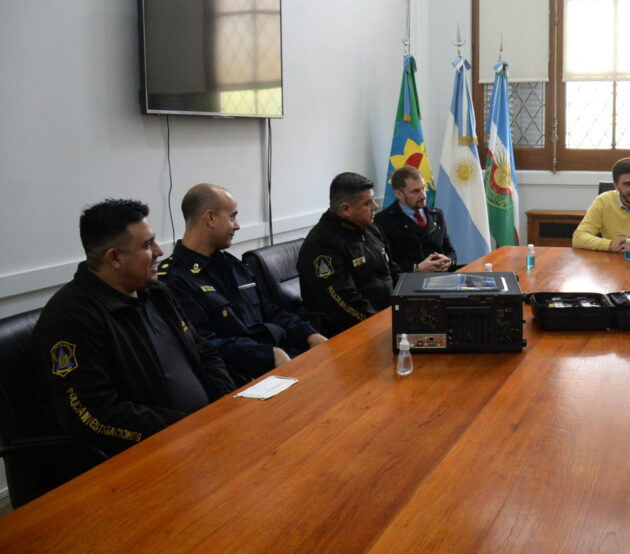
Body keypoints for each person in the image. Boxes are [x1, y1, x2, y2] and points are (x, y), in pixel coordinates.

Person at [33, 199, 235, 457]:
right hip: (153, 453)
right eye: (147, 244)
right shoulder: (71, 319)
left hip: (205, 434)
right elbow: (94, 415)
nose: (160, 251)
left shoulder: (157, 292)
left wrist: (227, 405)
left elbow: (203, 351)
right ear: (115, 258)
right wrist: (185, 429)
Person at [158, 184, 327, 383]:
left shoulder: (231, 265)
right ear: (210, 218)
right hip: (247, 375)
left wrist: (309, 334)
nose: (237, 226)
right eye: (232, 217)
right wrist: (268, 355)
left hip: (285, 356)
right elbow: (204, 345)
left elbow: (271, 310)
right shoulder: (174, 280)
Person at [297, 172, 400, 336]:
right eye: (368, 203)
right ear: (346, 209)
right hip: (352, 332)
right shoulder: (322, 244)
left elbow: (393, 271)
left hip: (389, 319)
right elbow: (343, 304)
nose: (375, 206)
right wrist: (385, 326)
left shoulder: (370, 228)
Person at [374, 166, 456, 273]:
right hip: (408, 282)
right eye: (415, 191)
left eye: (424, 188)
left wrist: (449, 261)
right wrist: (416, 268)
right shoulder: (383, 220)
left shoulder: (436, 214)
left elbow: (449, 250)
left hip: (441, 277)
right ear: (399, 194)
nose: (423, 196)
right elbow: (385, 264)